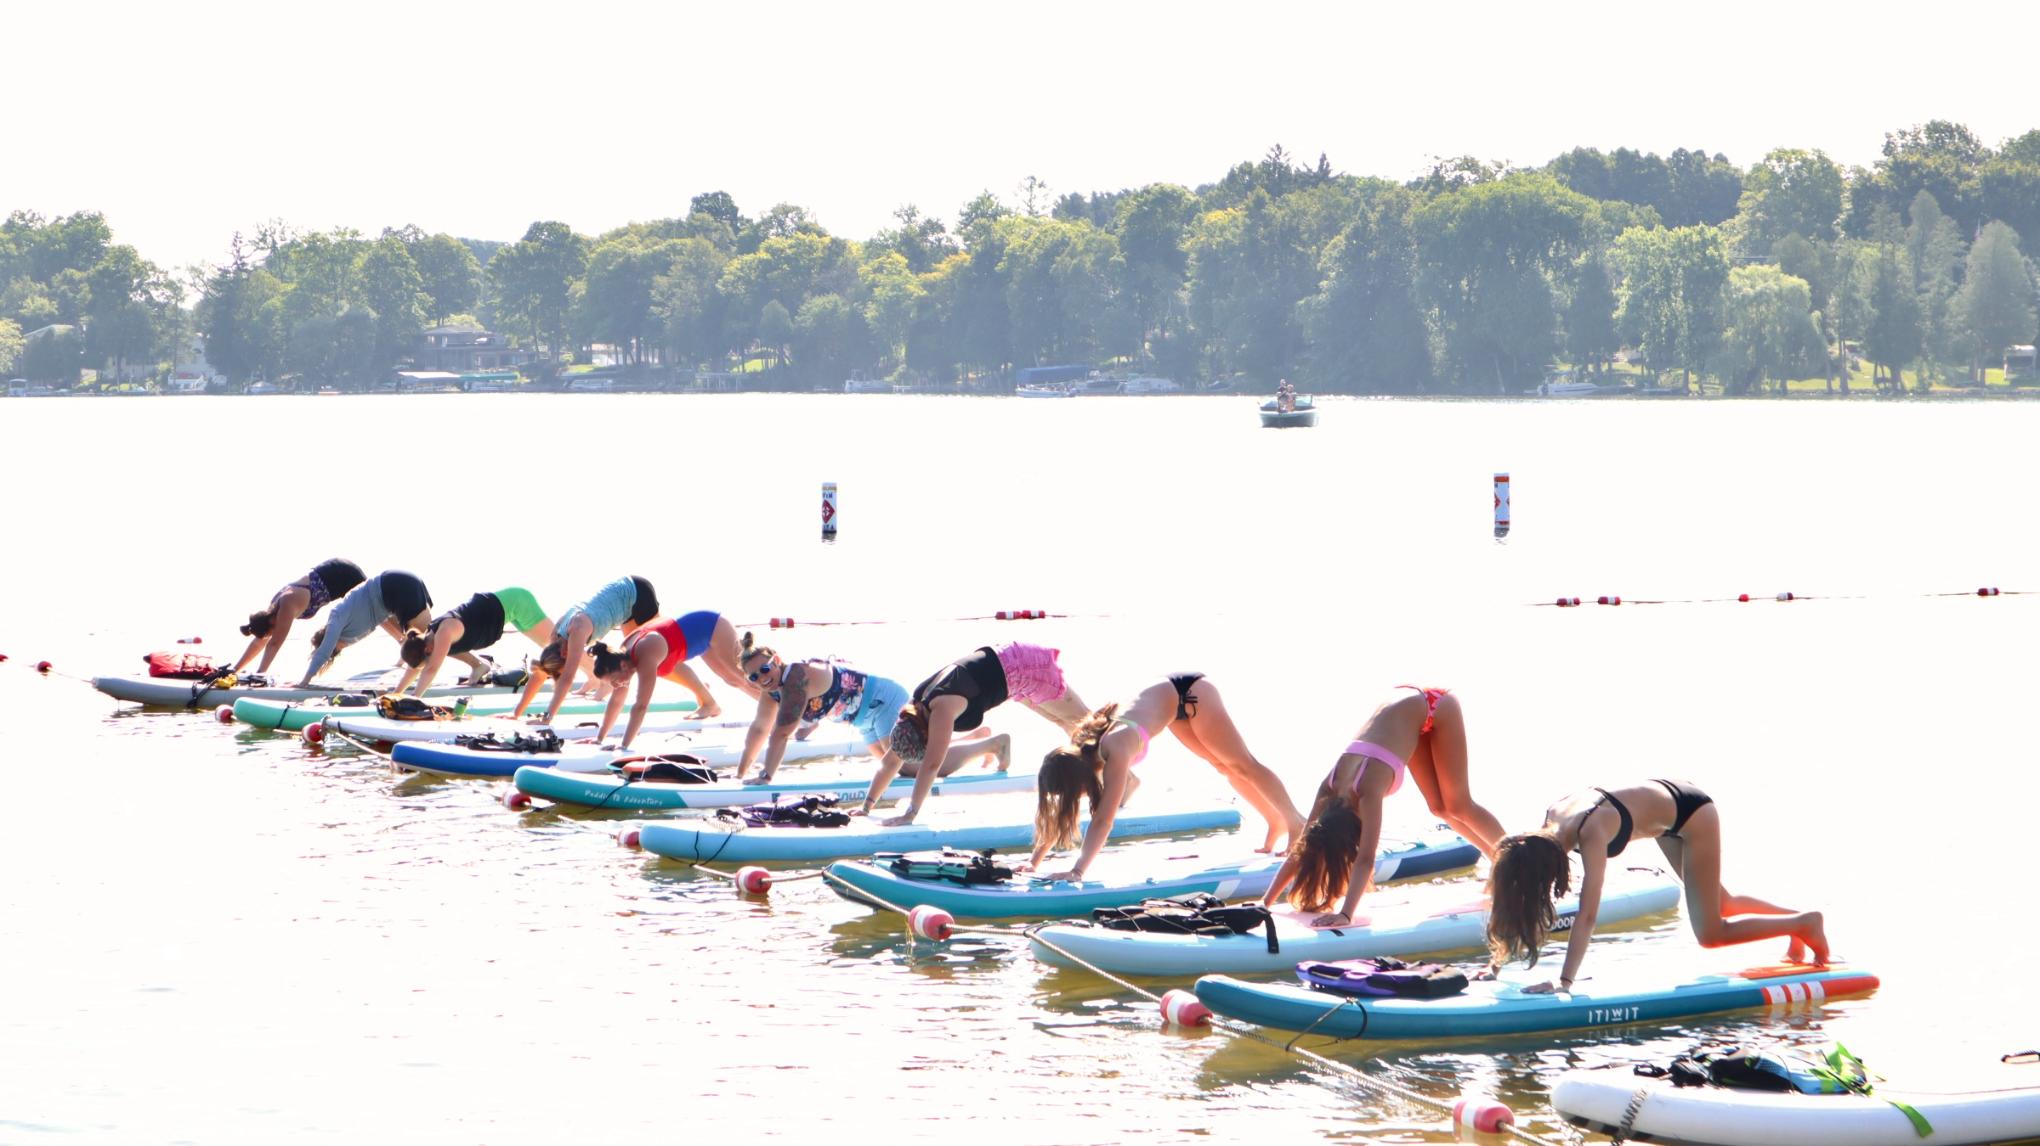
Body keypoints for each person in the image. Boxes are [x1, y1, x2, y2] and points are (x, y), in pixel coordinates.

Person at [1484, 781, 1829, 994]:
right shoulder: (1545, 829)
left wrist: (1564, 983)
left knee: (1710, 933)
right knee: (1720, 902)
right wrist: (1494, 965)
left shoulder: (1592, 832)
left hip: (1692, 812)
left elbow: (1587, 915)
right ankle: (1798, 923)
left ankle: (1804, 924)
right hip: (1664, 811)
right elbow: (1518, 899)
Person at [1261, 687, 1507, 927]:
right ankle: (1500, 866)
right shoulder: (1329, 787)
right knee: (1440, 809)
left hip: (1436, 705)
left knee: (1459, 805)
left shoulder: (1367, 791)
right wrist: (1265, 902)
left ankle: (1516, 858)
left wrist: (1346, 914)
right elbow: (1301, 849)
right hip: (1408, 711)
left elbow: (1366, 859)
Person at [1031, 673, 1305, 878]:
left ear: (1078, 779)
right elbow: (1063, 810)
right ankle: (1275, 822)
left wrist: (1077, 871)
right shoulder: (1081, 752)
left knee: (1243, 764)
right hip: (1174, 707)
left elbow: (1104, 820)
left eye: (1071, 792)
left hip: (1189, 692)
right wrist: (1034, 862)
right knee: (1223, 767)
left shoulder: (1115, 748)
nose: (1075, 798)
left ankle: (1295, 823)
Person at [733, 635, 1008, 812]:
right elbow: (759, 730)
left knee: (910, 768)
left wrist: (765, 777)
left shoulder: (795, 678)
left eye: (765, 669)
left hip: (884, 702)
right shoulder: (772, 691)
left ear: (777, 661)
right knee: (895, 767)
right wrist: (740, 774)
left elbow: (780, 734)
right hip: (863, 720)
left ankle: (992, 745)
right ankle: (973, 739)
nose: (761, 678)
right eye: (753, 677)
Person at [885, 643, 1090, 826]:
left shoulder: (940, 710)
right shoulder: (915, 707)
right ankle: (1092, 779)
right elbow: (891, 760)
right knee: (1065, 723)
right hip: (1010, 668)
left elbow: (931, 765)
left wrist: (910, 813)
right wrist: (869, 803)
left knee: (1086, 725)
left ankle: (1104, 783)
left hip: (1023, 667)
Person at [584, 611, 756, 747]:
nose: (615, 685)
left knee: (743, 676)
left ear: (622, 666)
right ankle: (721, 706)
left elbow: (641, 706)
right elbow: (616, 701)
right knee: (732, 680)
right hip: (699, 638)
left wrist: (623, 746)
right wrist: (599, 738)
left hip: (712, 625)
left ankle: (771, 708)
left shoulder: (645, 653)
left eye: (614, 680)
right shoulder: (622, 657)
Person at [510, 575, 659, 725]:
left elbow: (567, 679)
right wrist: (516, 713)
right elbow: (541, 672)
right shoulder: (556, 637)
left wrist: (546, 719)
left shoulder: (577, 629)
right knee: (631, 656)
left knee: (645, 654)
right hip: (623, 592)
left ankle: (636, 703)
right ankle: (599, 684)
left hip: (638, 595)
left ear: (564, 654)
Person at [394, 588, 555, 697]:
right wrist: (396, 694)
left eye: (426, 661)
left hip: (516, 603)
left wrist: (414, 698)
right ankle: (481, 666)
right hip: (509, 610)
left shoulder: (444, 632)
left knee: (557, 647)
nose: (426, 665)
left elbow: (431, 669)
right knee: (553, 649)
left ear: (428, 650)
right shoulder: (427, 640)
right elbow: (414, 669)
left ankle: (567, 681)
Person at [295, 570, 434, 685]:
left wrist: (305, 681)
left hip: (395, 586)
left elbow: (323, 652)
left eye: (335, 650)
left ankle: (427, 680)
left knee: (429, 643)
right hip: (397, 587)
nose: (340, 650)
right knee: (428, 641)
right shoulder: (349, 634)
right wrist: (399, 664)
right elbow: (398, 630)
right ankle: (426, 677)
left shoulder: (336, 617)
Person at [232, 559, 367, 675]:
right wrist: (235, 670)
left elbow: (274, 643)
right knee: (362, 619)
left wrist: (260, 674)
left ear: (270, 623)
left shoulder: (287, 603)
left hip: (345, 574)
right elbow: (258, 643)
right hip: (335, 579)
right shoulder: (271, 613)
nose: (272, 635)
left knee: (366, 617)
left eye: (269, 633)